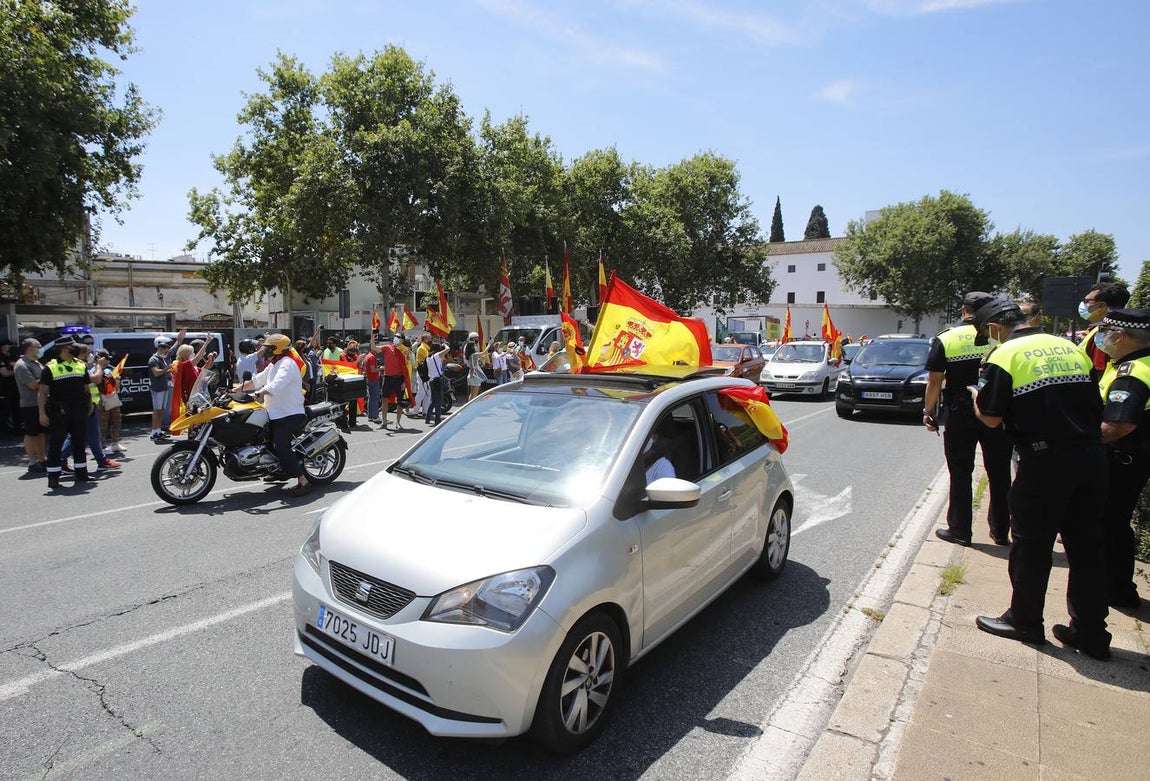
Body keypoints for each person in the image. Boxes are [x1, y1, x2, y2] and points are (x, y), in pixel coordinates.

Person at [970, 295, 1111, 660]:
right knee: (1087, 549)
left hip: (1044, 462)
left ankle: (1025, 620)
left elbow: (991, 418)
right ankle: (1091, 632)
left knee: (1032, 546)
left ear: (995, 327)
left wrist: (975, 399)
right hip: (1092, 456)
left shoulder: (1004, 355)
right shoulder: (1070, 347)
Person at [924, 291, 1013, 546]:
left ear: (964, 311)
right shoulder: (1000, 337)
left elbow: (934, 381)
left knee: (960, 473)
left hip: (960, 412)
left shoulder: (948, 338)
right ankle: (1000, 529)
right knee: (999, 471)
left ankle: (960, 530)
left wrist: (929, 412)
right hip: (997, 411)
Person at [1093, 308, 1150, 611]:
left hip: (1122, 458)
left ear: (1122, 335)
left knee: (1108, 524)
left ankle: (1114, 590)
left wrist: (1082, 442)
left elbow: (1120, 424)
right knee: (1116, 523)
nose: (1103, 337)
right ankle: (1119, 589)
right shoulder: (1138, 363)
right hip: (1133, 458)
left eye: (1108, 331)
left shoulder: (1133, 373)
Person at [236, 333, 311, 497]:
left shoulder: (287, 364)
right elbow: (257, 380)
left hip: (289, 413)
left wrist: (258, 394)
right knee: (262, 441)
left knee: (281, 445)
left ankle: (302, 481)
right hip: (273, 412)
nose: (264, 351)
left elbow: (277, 384)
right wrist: (234, 391)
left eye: (267, 348)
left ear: (276, 349)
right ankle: (280, 470)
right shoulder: (273, 364)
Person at [38, 336, 96, 488]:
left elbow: (86, 387)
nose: (76, 348)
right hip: (60, 410)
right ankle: (53, 476)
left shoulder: (81, 365)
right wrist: (42, 413)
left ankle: (82, 473)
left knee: (79, 442)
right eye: (72, 346)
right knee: (56, 443)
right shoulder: (50, 367)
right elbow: (42, 392)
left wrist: (89, 404)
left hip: (79, 407)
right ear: (64, 349)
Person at [1078, 283, 1130, 382]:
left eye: (1086, 301)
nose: (1083, 304)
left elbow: (1099, 373)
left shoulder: (1105, 335)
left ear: (1101, 306)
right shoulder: (1124, 329)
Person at [14, 338, 46, 471]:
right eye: (38, 346)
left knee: (41, 433)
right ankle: (32, 462)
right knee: (31, 433)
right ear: (29, 348)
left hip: (41, 403)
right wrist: (49, 379)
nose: (40, 349)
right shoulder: (22, 365)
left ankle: (42, 459)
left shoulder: (37, 363)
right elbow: (32, 385)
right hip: (30, 404)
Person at [148, 332, 180, 441]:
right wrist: (168, 368)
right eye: (166, 348)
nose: (168, 350)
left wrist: (180, 338)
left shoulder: (163, 358)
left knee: (161, 410)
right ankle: (154, 432)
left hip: (165, 387)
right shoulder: (154, 359)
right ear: (160, 347)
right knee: (157, 410)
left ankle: (158, 430)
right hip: (158, 388)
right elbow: (156, 373)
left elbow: (175, 347)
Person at [95, 350, 125, 455]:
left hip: (113, 399)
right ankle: (102, 446)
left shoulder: (112, 370)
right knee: (103, 424)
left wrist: (117, 381)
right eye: (106, 359)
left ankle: (115, 443)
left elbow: (117, 387)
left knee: (117, 421)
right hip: (101, 401)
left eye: (108, 359)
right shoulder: (94, 370)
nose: (108, 362)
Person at [379, 335, 407, 430]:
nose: (396, 338)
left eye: (399, 337)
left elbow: (407, 367)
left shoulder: (404, 350)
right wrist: (372, 335)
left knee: (400, 401)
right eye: (396, 336)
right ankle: (384, 422)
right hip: (388, 378)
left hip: (399, 378)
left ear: (402, 340)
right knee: (384, 399)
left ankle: (398, 423)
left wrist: (405, 381)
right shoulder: (387, 347)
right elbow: (374, 348)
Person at [424, 338, 450, 426]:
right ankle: (437, 419)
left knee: (434, 400)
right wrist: (444, 344)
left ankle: (427, 418)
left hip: (431, 381)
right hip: (437, 380)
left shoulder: (428, 357)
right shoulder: (436, 356)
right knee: (438, 401)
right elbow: (448, 349)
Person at [0, 340, 20, 436]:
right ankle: (4, 430)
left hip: (16, 386)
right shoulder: (1, 358)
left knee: (17, 408)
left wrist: (14, 367)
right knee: (5, 409)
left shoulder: (14, 356)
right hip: (5, 388)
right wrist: (16, 369)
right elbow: (4, 373)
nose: (8, 347)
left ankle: (17, 428)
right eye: (6, 345)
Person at [465, 332, 485, 401]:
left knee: (473, 392)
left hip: (473, 370)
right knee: (474, 393)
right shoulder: (469, 346)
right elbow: (472, 358)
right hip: (472, 370)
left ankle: (469, 406)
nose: (477, 339)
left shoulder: (474, 346)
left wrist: (479, 359)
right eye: (476, 338)